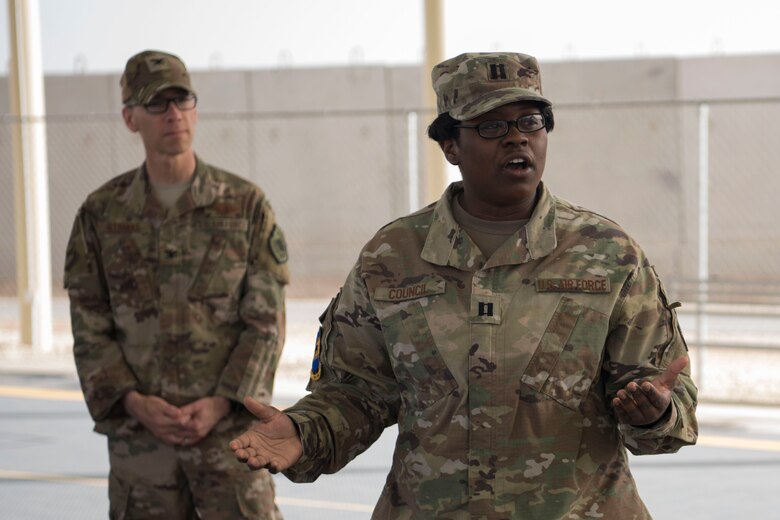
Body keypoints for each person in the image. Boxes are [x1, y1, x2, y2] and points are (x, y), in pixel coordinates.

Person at [230, 52, 698, 519]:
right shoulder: (392, 256)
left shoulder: (609, 254)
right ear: (450, 145)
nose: (516, 137)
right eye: (490, 126)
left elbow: (661, 398)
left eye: (530, 121)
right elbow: (357, 392)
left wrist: (654, 412)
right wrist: (303, 431)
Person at [64, 49, 289, 519]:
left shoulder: (245, 205)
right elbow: (89, 326)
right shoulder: (101, 214)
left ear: (195, 109)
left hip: (230, 442)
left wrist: (223, 401)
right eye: (156, 105)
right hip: (142, 450)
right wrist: (134, 402)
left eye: (182, 101)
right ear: (130, 118)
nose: (173, 115)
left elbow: (265, 323)